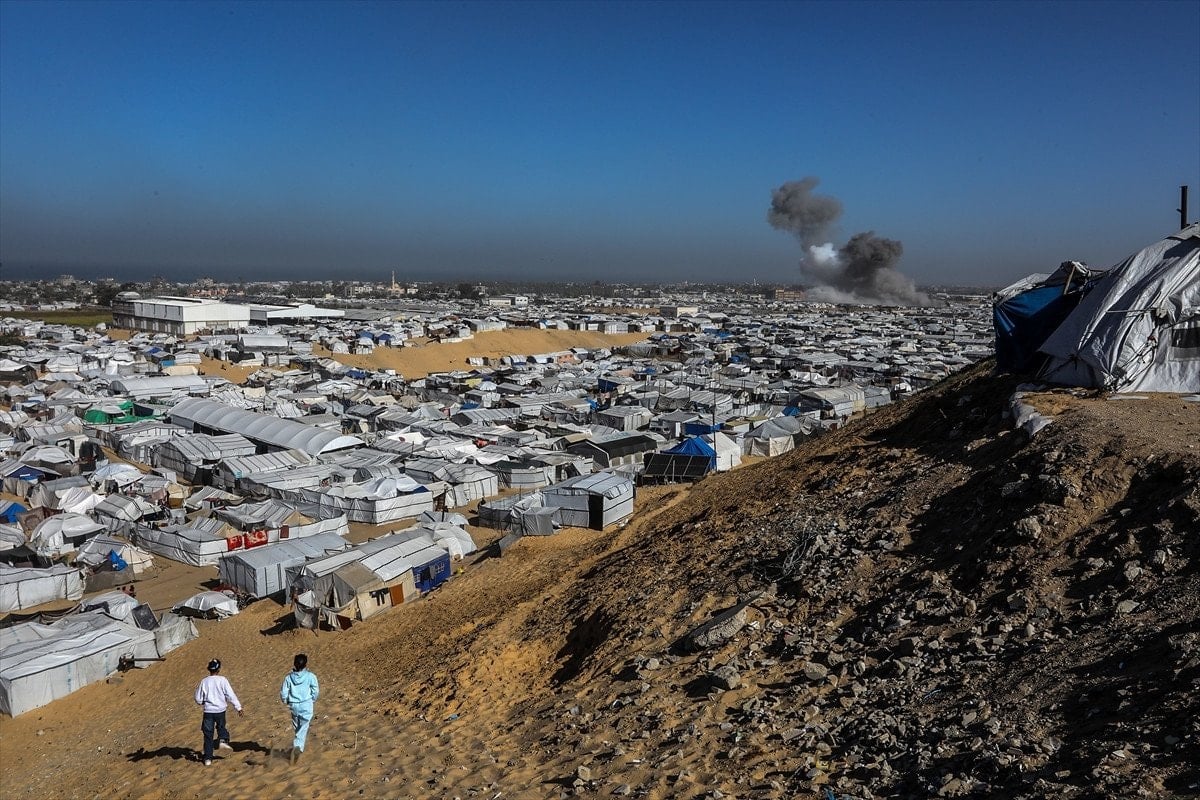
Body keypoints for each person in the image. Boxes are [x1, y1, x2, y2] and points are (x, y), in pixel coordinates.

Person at [194, 658, 243, 766]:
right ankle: (223, 740)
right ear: (219, 669)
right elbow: (230, 695)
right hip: (220, 711)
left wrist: (202, 702)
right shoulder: (222, 680)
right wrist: (238, 707)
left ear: (209, 669)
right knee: (221, 727)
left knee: (208, 735)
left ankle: (208, 759)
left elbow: (198, 698)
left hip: (208, 712)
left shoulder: (204, 681)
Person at [280, 653, 320, 764]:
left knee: (297, 727)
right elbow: (315, 690)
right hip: (306, 704)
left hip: (294, 705)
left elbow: (283, 692)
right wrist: (313, 699)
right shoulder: (311, 676)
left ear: (294, 664)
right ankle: (297, 747)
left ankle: (297, 746)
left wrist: (285, 700)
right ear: (305, 664)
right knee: (303, 727)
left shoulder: (288, 678)